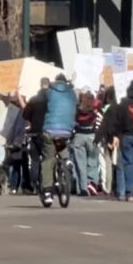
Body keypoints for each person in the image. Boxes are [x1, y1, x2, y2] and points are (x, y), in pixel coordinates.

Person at [39, 75, 78, 206]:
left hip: (50, 129)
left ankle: (48, 192)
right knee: (62, 144)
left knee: (48, 159)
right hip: (67, 129)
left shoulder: (49, 92)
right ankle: (66, 160)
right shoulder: (72, 93)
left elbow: (41, 106)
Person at [73, 91, 101, 197]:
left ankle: (82, 188)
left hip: (79, 136)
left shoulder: (77, 110)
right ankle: (92, 184)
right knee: (93, 163)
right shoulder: (94, 111)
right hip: (92, 136)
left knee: (80, 164)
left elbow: (73, 121)